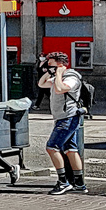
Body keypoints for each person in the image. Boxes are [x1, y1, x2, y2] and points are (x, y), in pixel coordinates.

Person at [39, 51, 87, 195]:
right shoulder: (56, 76)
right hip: (61, 117)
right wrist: (50, 73)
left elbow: (60, 89)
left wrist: (59, 74)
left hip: (68, 117)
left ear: (60, 64)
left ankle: (63, 182)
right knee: (70, 149)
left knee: (52, 147)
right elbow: (41, 84)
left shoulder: (71, 77)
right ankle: (79, 183)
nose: (48, 66)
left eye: (51, 64)